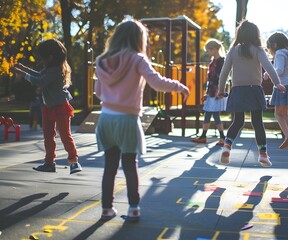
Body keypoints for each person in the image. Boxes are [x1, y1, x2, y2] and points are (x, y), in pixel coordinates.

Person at [94, 19, 190, 221]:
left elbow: (98, 92)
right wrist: (179, 86)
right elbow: (157, 83)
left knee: (109, 166)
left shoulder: (101, 61)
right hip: (127, 119)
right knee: (130, 164)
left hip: (106, 118)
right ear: (139, 39)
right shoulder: (137, 59)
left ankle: (106, 208)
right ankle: (134, 207)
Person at [217, 20, 286, 167]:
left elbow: (224, 72)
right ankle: (263, 154)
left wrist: (221, 90)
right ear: (256, 35)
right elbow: (269, 67)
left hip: (237, 90)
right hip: (254, 89)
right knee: (257, 123)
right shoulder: (258, 50)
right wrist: (277, 83)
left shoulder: (233, 51)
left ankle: (227, 147)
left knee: (238, 122)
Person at [11, 39, 82, 174]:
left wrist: (23, 74)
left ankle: (74, 161)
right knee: (48, 136)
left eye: (42, 58)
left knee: (65, 136)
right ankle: (49, 162)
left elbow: (40, 81)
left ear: (50, 57)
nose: (41, 61)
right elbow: (39, 75)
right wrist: (24, 68)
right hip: (48, 107)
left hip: (61, 107)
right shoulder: (48, 68)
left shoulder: (56, 70)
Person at [191, 39, 227, 146]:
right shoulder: (213, 62)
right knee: (209, 114)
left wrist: (220, 91)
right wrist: (207, 94)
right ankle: (206, 136)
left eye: (208, 50)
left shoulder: (221, 62)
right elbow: (210, 80)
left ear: (215, 49)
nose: (207, 52)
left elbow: (221, 78)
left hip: (216, 92)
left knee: (214, 115)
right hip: (212, 92)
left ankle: (220, 137)